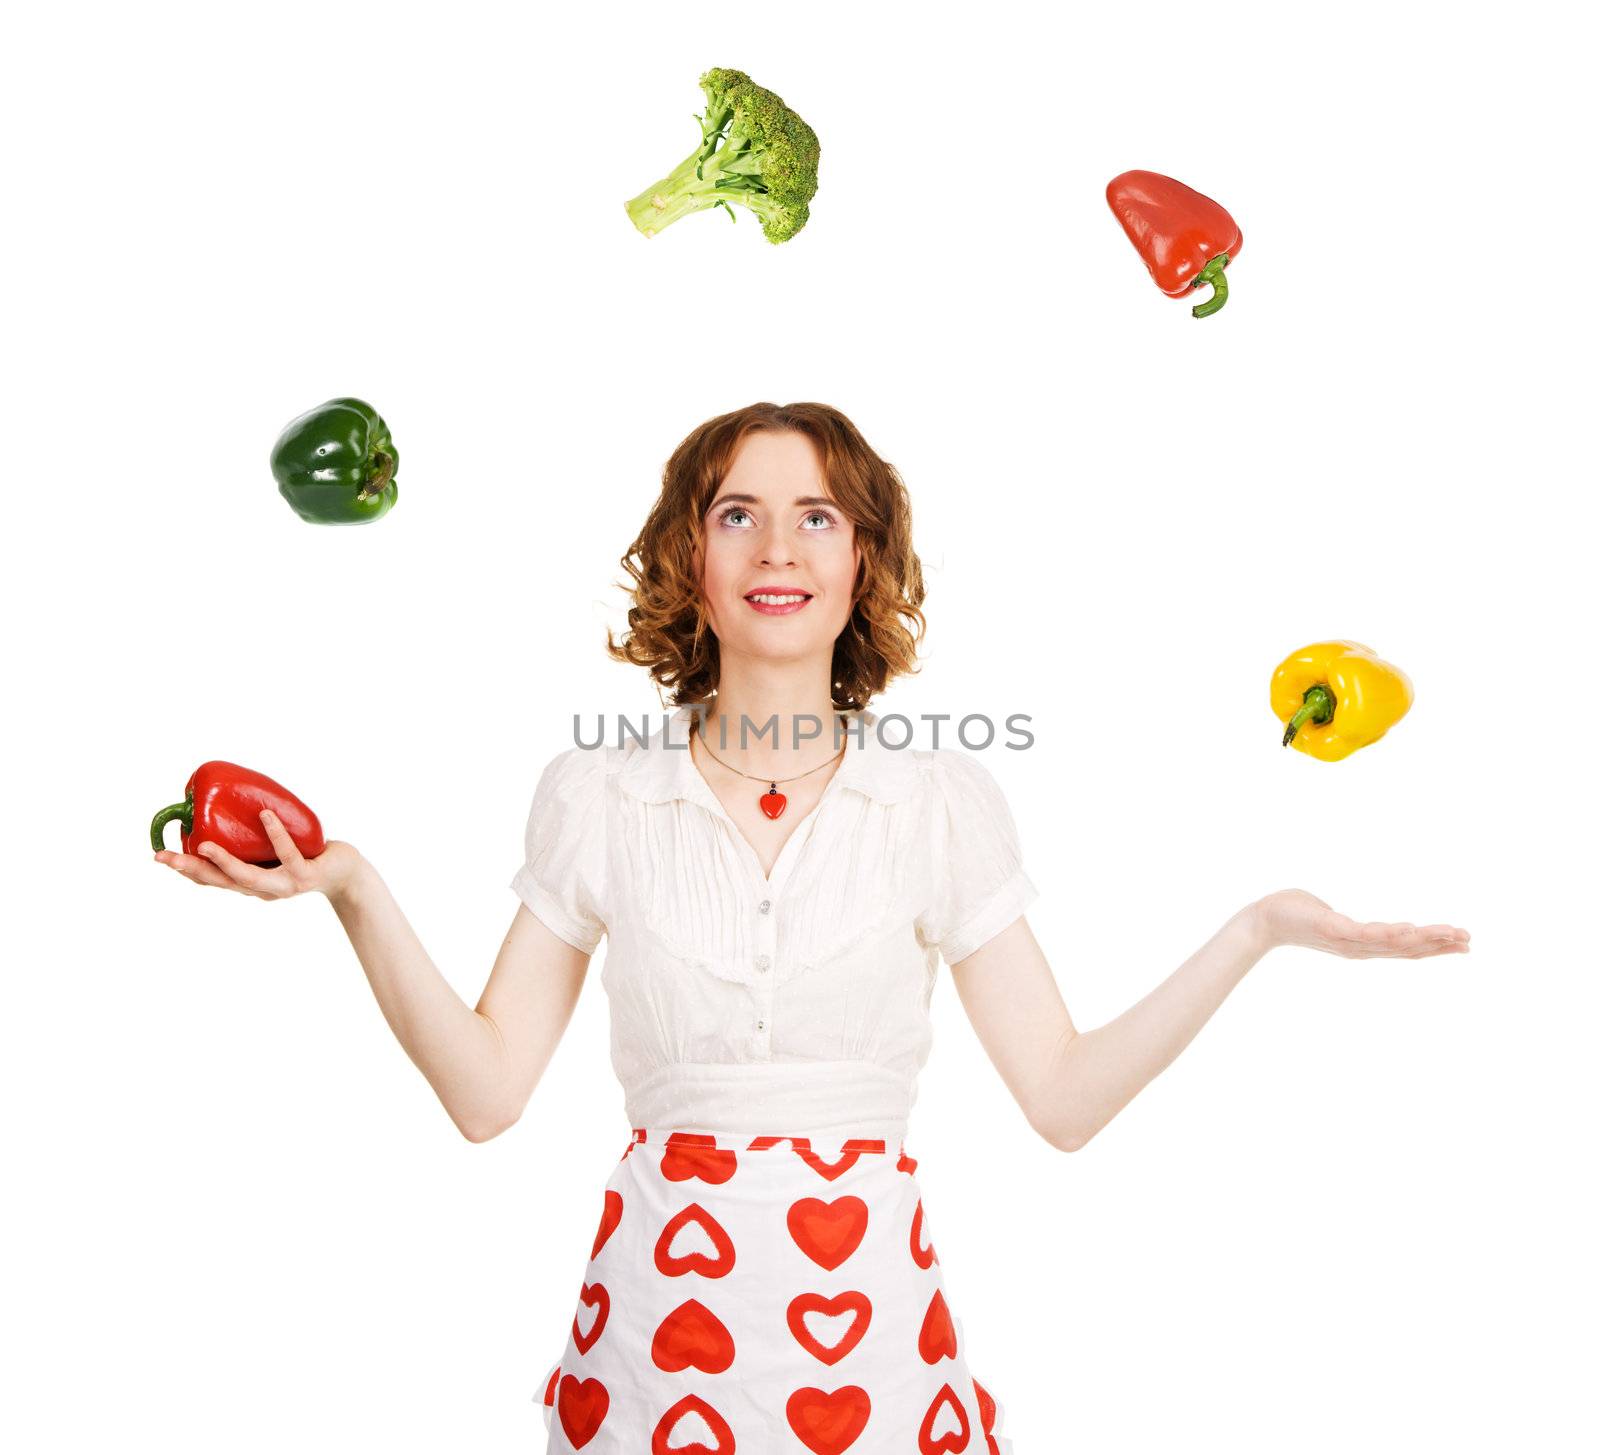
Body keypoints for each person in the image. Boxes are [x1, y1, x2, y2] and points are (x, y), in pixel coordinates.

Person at [154, 400, 1470, 1452]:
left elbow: (1063, 1099)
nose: (778, 549)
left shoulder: (942, 803)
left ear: (863, 563)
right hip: (654, 1361)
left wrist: (1257, 932)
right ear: (690, 557)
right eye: (738, 514)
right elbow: (489, 1091)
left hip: (880, 1370)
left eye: (817, 517)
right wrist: (356, 889)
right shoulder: (598, 795)